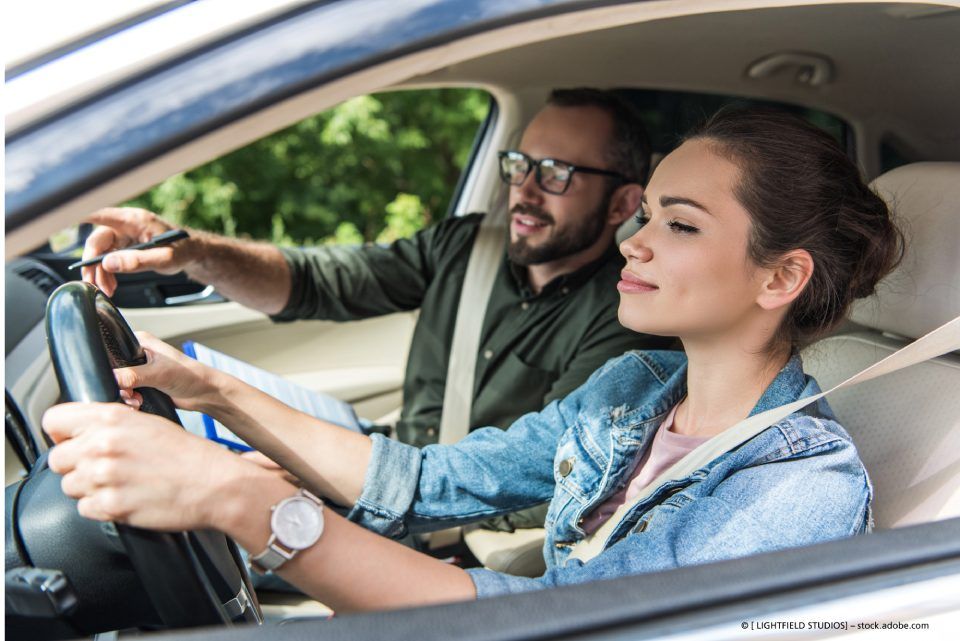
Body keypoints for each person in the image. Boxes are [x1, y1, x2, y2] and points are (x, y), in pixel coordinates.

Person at [44, 108, 903, 612]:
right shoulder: (634, 391)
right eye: (648, 218)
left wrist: (241, 500)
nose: (634, 243)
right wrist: (210, 390)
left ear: (781, 276)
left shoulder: (798, 492)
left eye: (678, 224)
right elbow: (422, 480)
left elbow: (551, 625)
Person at [80, 88, 674, 532]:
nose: (525, 190)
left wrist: (331, 492)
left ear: (624, 199)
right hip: (390, 466)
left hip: (450, 524)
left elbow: (542, 483)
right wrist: (190, 251)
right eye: (520, 166)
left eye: (557, 174)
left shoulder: (627, 319)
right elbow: (318, 282)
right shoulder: (467, 245)